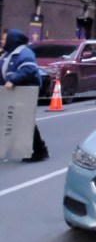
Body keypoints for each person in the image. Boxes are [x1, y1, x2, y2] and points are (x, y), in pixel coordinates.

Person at [2, 29, 49, 162]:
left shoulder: (25, 53)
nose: (2, 41)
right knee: (14, 120)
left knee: (25, 121)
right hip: (12, 91)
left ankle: (39, 151)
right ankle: (36, 149)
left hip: (25, 91)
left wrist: (13, 80)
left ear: (13, 40)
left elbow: (27, 69)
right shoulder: (8, 54)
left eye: (5, 39)